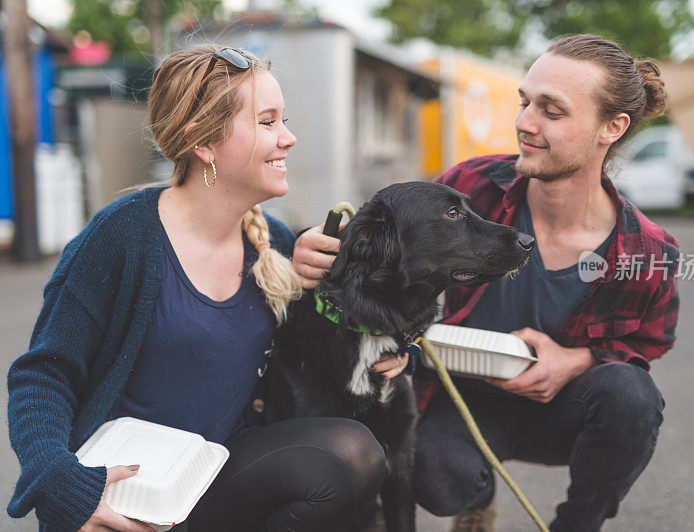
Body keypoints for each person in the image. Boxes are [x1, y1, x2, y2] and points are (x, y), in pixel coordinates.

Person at [6, 45, 401, 532]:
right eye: (267, 122)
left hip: (217, 478)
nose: (289, 138)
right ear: (204, 142)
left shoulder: (274, 242)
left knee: (352, 456)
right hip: (132, 493)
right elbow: (41, 377)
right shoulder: (121, 238)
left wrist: (396, 349)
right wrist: (61, 484)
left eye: (284, 120)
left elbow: (331, 347)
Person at [406, 34, 680, 532]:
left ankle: (579, 523)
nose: (524, 123)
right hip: (462, 399)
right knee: (436, 479)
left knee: (632, 398)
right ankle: (477, 494)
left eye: (551, 112)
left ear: (611, 128)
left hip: (562, 410)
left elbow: (650, 340)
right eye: (525, 101)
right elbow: (392, 249)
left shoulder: (647, 250)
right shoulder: (470, 188)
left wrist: (573, 360)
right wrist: (320, 245)